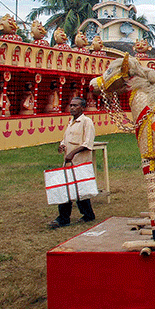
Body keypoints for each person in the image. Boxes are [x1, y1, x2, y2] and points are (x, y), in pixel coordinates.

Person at [49, 97, 96, 228]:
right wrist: (62, 146)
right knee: (68, 190)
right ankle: (68, 217)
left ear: (82, 108)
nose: (72, 108)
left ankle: (77, 216)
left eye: (75, 105)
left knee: (80, 191)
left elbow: (88, 144)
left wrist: (72, 153)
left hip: (80, 162)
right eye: (71, 105)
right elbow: (65, 139)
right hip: (69, 163)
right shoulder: (71, 122)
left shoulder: (87, 122)